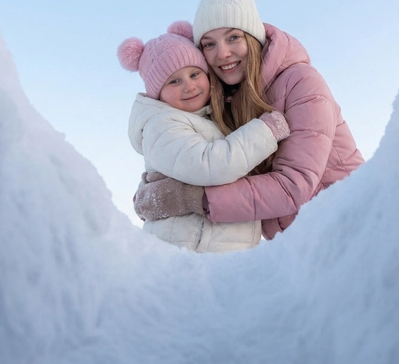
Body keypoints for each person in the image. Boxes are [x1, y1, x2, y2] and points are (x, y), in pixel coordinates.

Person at [134, 0, 365, 241]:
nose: (223, 53)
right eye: (209, 44)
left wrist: (191, 198)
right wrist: (156, 189)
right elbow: (204, 159)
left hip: (354, 227)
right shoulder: (224, 100)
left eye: (234, 37)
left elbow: (293, 187)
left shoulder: (303, 83)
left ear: (253, 38)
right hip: (299, 245)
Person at [118, 20, 290, 253]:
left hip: (218, 250)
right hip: (189, 253)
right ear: (158, 93)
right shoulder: (162, 125)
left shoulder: (206, 119)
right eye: (174, 81)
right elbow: (210, 165)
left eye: (194, 74)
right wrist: (266, 131)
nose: (189, 86)